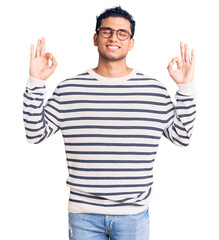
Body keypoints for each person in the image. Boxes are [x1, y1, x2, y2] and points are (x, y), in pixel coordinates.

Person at [23, 6, 196, 240]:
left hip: (133, 215)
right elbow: (34, 133)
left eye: (122, 33)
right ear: (95, 38)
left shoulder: (153, 91)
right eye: (106, 31)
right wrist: (35, 82)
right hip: (83, 215)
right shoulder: (69, 89)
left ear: (131, 42)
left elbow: (182, 136)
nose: (114, 37)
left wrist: (185, 88)